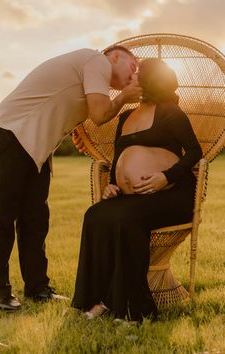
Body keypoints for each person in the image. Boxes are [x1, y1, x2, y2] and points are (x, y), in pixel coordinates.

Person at [0, 45, 142, 311]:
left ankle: (37, 288)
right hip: (10, 134)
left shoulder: (91, 72)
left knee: (36, 220)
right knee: (1, 217)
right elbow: (100, 113)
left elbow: (73, 109)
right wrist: (124, 98)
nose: (134, 75)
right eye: (132, 66)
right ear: (115, 56)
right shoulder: (98, 60)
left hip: (36, 148)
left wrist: (76, 130)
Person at [71, 58, 203, 323]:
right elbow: (120, 157)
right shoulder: (125, 117)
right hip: (132, 196)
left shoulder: (170, 112)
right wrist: (113, 185)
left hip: (172, 195)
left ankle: (137, 309)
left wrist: (166, 178)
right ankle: (101, 299)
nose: (130, 78)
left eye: (137, 74)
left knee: (128, 218)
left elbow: (194, 153)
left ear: (150, 80)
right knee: (95, 215)